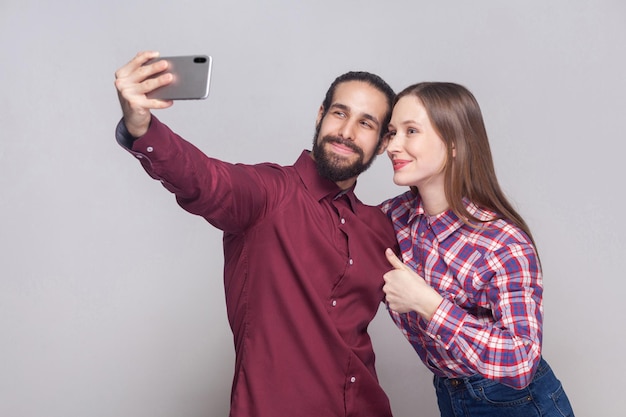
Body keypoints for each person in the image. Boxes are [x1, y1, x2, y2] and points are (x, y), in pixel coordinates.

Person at [113, 51, 399, 417]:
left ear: (383, 142)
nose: (346, 131)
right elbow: (204, 179)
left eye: (366, 123)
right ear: (320, 115)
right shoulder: (268, 193)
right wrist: (142, 128)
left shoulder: (380, 228)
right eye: (340, 113)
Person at [379, 82, 575, 417]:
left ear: (454, 143)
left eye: (411, 131)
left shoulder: (502, 242)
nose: (393, 146)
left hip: (518, 403)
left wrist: (428, 304)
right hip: (450, 396)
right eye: (392, 132)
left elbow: (522, 360)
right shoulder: (392, 219)